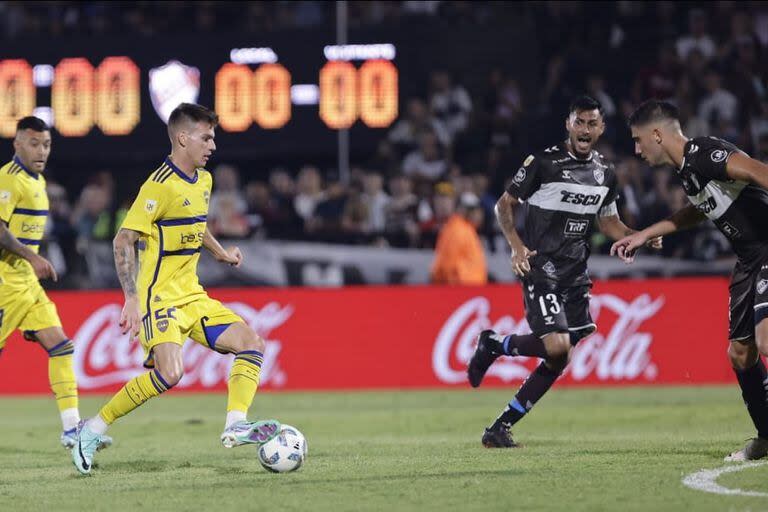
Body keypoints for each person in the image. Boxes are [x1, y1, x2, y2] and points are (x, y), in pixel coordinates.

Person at [71, 104, 279, 475]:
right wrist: (132, 299)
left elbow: (198, 226)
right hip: (158, 299)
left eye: (213, 137)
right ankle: (92, 429)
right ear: (183, 138)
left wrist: (220, 254)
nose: (213, 145)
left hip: (192, 295)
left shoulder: (203, 181)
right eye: (206, 137)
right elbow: (123, 240)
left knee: (252, 344)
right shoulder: (158, 186)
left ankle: (235, 425)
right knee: (170, 374)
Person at [466, 96, 661, 448]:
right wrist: (516, 245)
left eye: (592, 124)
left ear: (601, 129)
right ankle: (494, 347)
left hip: (575, 270)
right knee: (557, 347)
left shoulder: (606, 173)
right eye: (579, 122)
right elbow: (504, 204)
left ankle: (499, 412)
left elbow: (609, 222)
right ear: (568, 124)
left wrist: (641, 237)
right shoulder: (543, 162)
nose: (585, 129)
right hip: (541, 264)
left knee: (560, 355)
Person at [611, 99, 768, 462]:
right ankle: (766, 436)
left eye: (638, 140)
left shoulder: (704, 153)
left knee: (764, 339)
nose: (637, 150)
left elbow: (758, 170)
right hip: (748, 261)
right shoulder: (688, 171)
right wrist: (645, 233)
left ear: (656, 134)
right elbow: (699, 211)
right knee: (741, 354)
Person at [0, 117, 112, 450]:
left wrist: (31, 261)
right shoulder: (9, 179)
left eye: (46, 144)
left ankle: (71, 429)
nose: (41, 150)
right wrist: (31, 256)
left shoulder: (37, 182)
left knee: (62, 347)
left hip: (27, 285)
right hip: (5, 283)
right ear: (17, 143)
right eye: (33, 143)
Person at [430, 192, 487, 285]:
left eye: (477, 209)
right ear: (461, 210)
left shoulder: (466, 229)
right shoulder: (459, 229)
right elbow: (447, 265)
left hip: (470, 287)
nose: (477, 214)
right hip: (461, 287)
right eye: (471, 210)